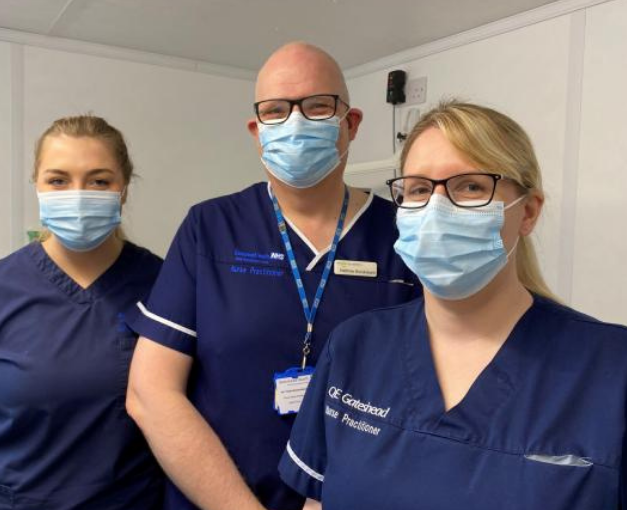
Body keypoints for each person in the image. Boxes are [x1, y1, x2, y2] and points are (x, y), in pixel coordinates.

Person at [278, 101, 627, 510]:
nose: (436, 208)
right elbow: (317, 502)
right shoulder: (354, 347)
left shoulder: (619, 371)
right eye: (417, 189)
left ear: (528, 212)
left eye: (470, 186)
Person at [126, 42, 421, 510]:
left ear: (352, 122)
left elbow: (430, 390)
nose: (296, 123)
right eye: (277, 111)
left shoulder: (404, 233)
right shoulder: (211, 227)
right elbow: (150, 392)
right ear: (256, 130)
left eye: (318, 106)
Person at [0, 115, 164, 510]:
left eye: (99, 181)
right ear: (37, 184)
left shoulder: (165, 287)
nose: (78, 194)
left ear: (124, 189)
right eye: (58, 180)